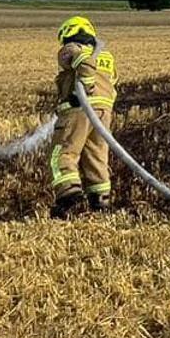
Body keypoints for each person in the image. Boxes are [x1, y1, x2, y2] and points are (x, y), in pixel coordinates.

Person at [49, 16, 118, 218]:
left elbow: (84, 63)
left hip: (78, 109)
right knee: (96, 156)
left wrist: (84, 89)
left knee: (62, 153)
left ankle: (68, 193)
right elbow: (113, 81)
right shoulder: (106, 56)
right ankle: (100, 201)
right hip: (103, 112)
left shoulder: (71, 48)